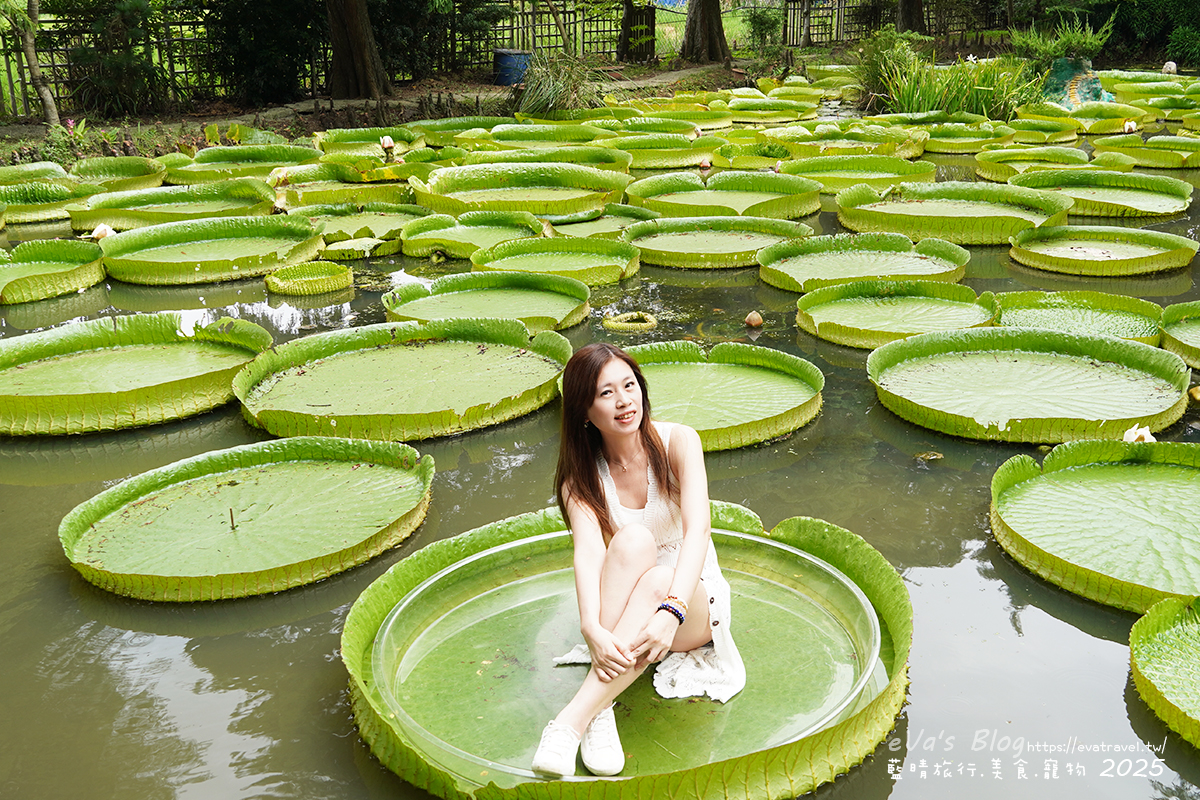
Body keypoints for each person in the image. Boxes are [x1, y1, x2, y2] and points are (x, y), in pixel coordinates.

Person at [531, 343, 745, 779]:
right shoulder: (580, 478)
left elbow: (699, 531)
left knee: (659, 579)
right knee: (631, 541)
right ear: (584, 411)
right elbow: (589, 554)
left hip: (693, 605)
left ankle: (570, 723)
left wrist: (672, 610)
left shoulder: (679, 441)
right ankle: (601, 709)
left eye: (629, 386)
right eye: (606, 393)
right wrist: (590, 627)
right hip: (631, 604)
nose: (624, 401)